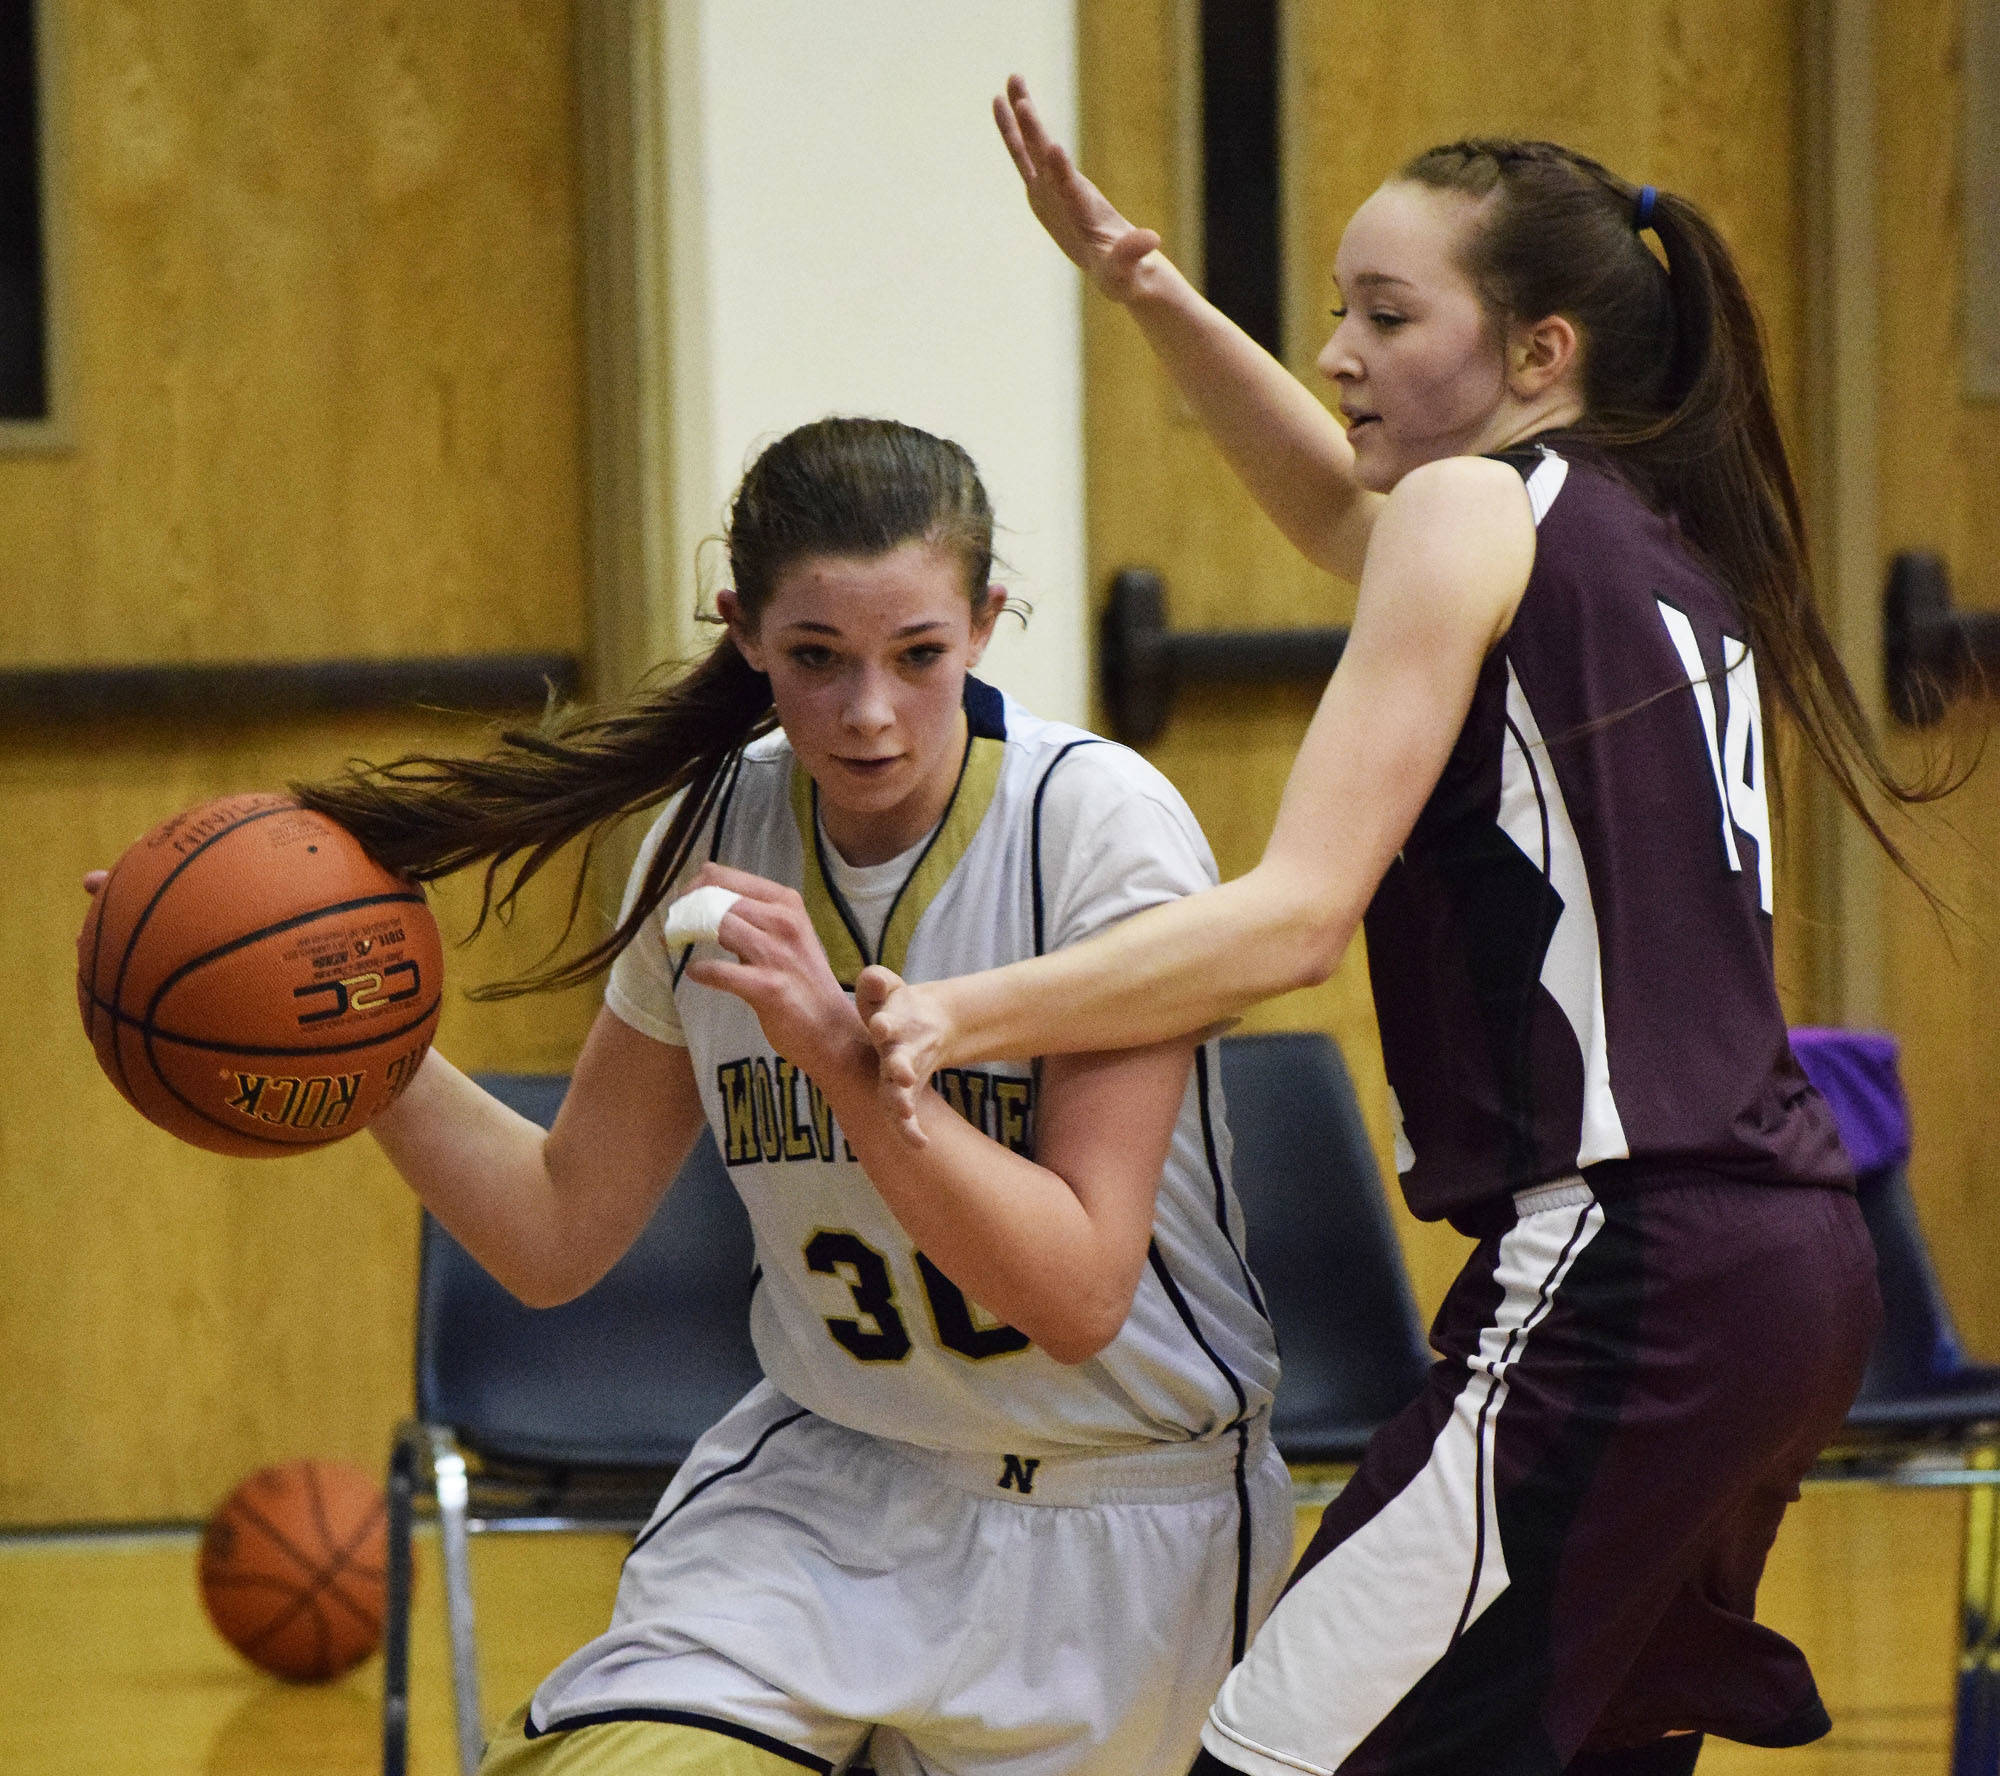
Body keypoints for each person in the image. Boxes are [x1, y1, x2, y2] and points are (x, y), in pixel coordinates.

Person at [850, 80, 1939, 1776]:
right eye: (1335, 314)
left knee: (1275, 1761)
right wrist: (1143, 282)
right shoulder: (1648, 540)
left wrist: (948, 1015)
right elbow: (1342, 521)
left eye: (1386, 314)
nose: (1341, 352)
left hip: (1624, 1271)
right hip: (1790, 1272)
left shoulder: (1475, 513)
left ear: (1539, 352)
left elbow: (1290, 923)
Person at [297, 416, 1290, 1776]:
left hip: (1115, 1527)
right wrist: (366, 1056)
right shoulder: (713, 832)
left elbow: (1075, 1296)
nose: (867, 713)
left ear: (989, 624)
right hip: (829, 1496)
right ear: (746, 632)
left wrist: (840, 1053)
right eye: (817, 659)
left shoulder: (1095, 826)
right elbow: (553, 1230)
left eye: (917, 656)